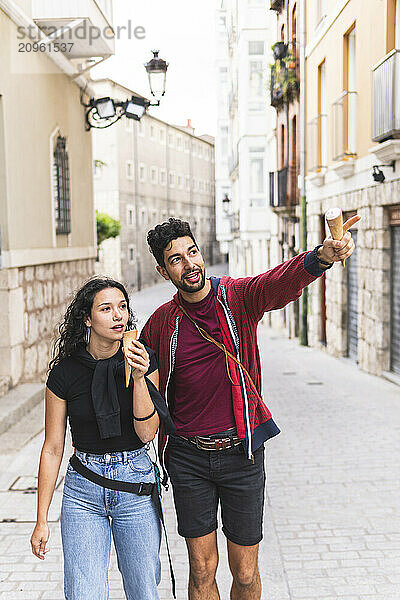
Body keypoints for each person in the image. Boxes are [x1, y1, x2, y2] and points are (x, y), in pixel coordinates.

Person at [140, 216, 358, 600]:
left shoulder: (236, 298)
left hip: (242, 452)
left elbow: (279, 283)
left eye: (192, 252)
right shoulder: (161, 323)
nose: (189, 263)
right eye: (176, 259)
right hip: (188, 458)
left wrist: (321, 257)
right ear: (162, 269)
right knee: (202, 569)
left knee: (244, 571)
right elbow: (139, 384)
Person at [30, 277, 175, 600]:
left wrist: (139, 379)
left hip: (134, 483)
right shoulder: (65, 372)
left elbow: (147, 432)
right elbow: (53, 448)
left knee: (143, 591)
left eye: (122, 307)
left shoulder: (143, 359)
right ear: (87, 318)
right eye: (106, 309)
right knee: (83, 593)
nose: (118, 316)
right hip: (83, 489)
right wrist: (41, 520)